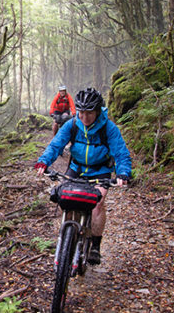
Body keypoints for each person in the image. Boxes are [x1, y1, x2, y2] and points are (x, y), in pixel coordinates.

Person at [35, 87, 132, 265]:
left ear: (97, 111)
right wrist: (44, 162)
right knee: (67, 199)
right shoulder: (72, 124)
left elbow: (120, 153)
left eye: (89, 113)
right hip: (77, 168)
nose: (84, 118)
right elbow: (56, 145)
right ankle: (68, 238)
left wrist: (123, 172)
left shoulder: (109, 128)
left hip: (100, 170)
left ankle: (95, 245)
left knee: (97, 204)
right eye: (81, 113)